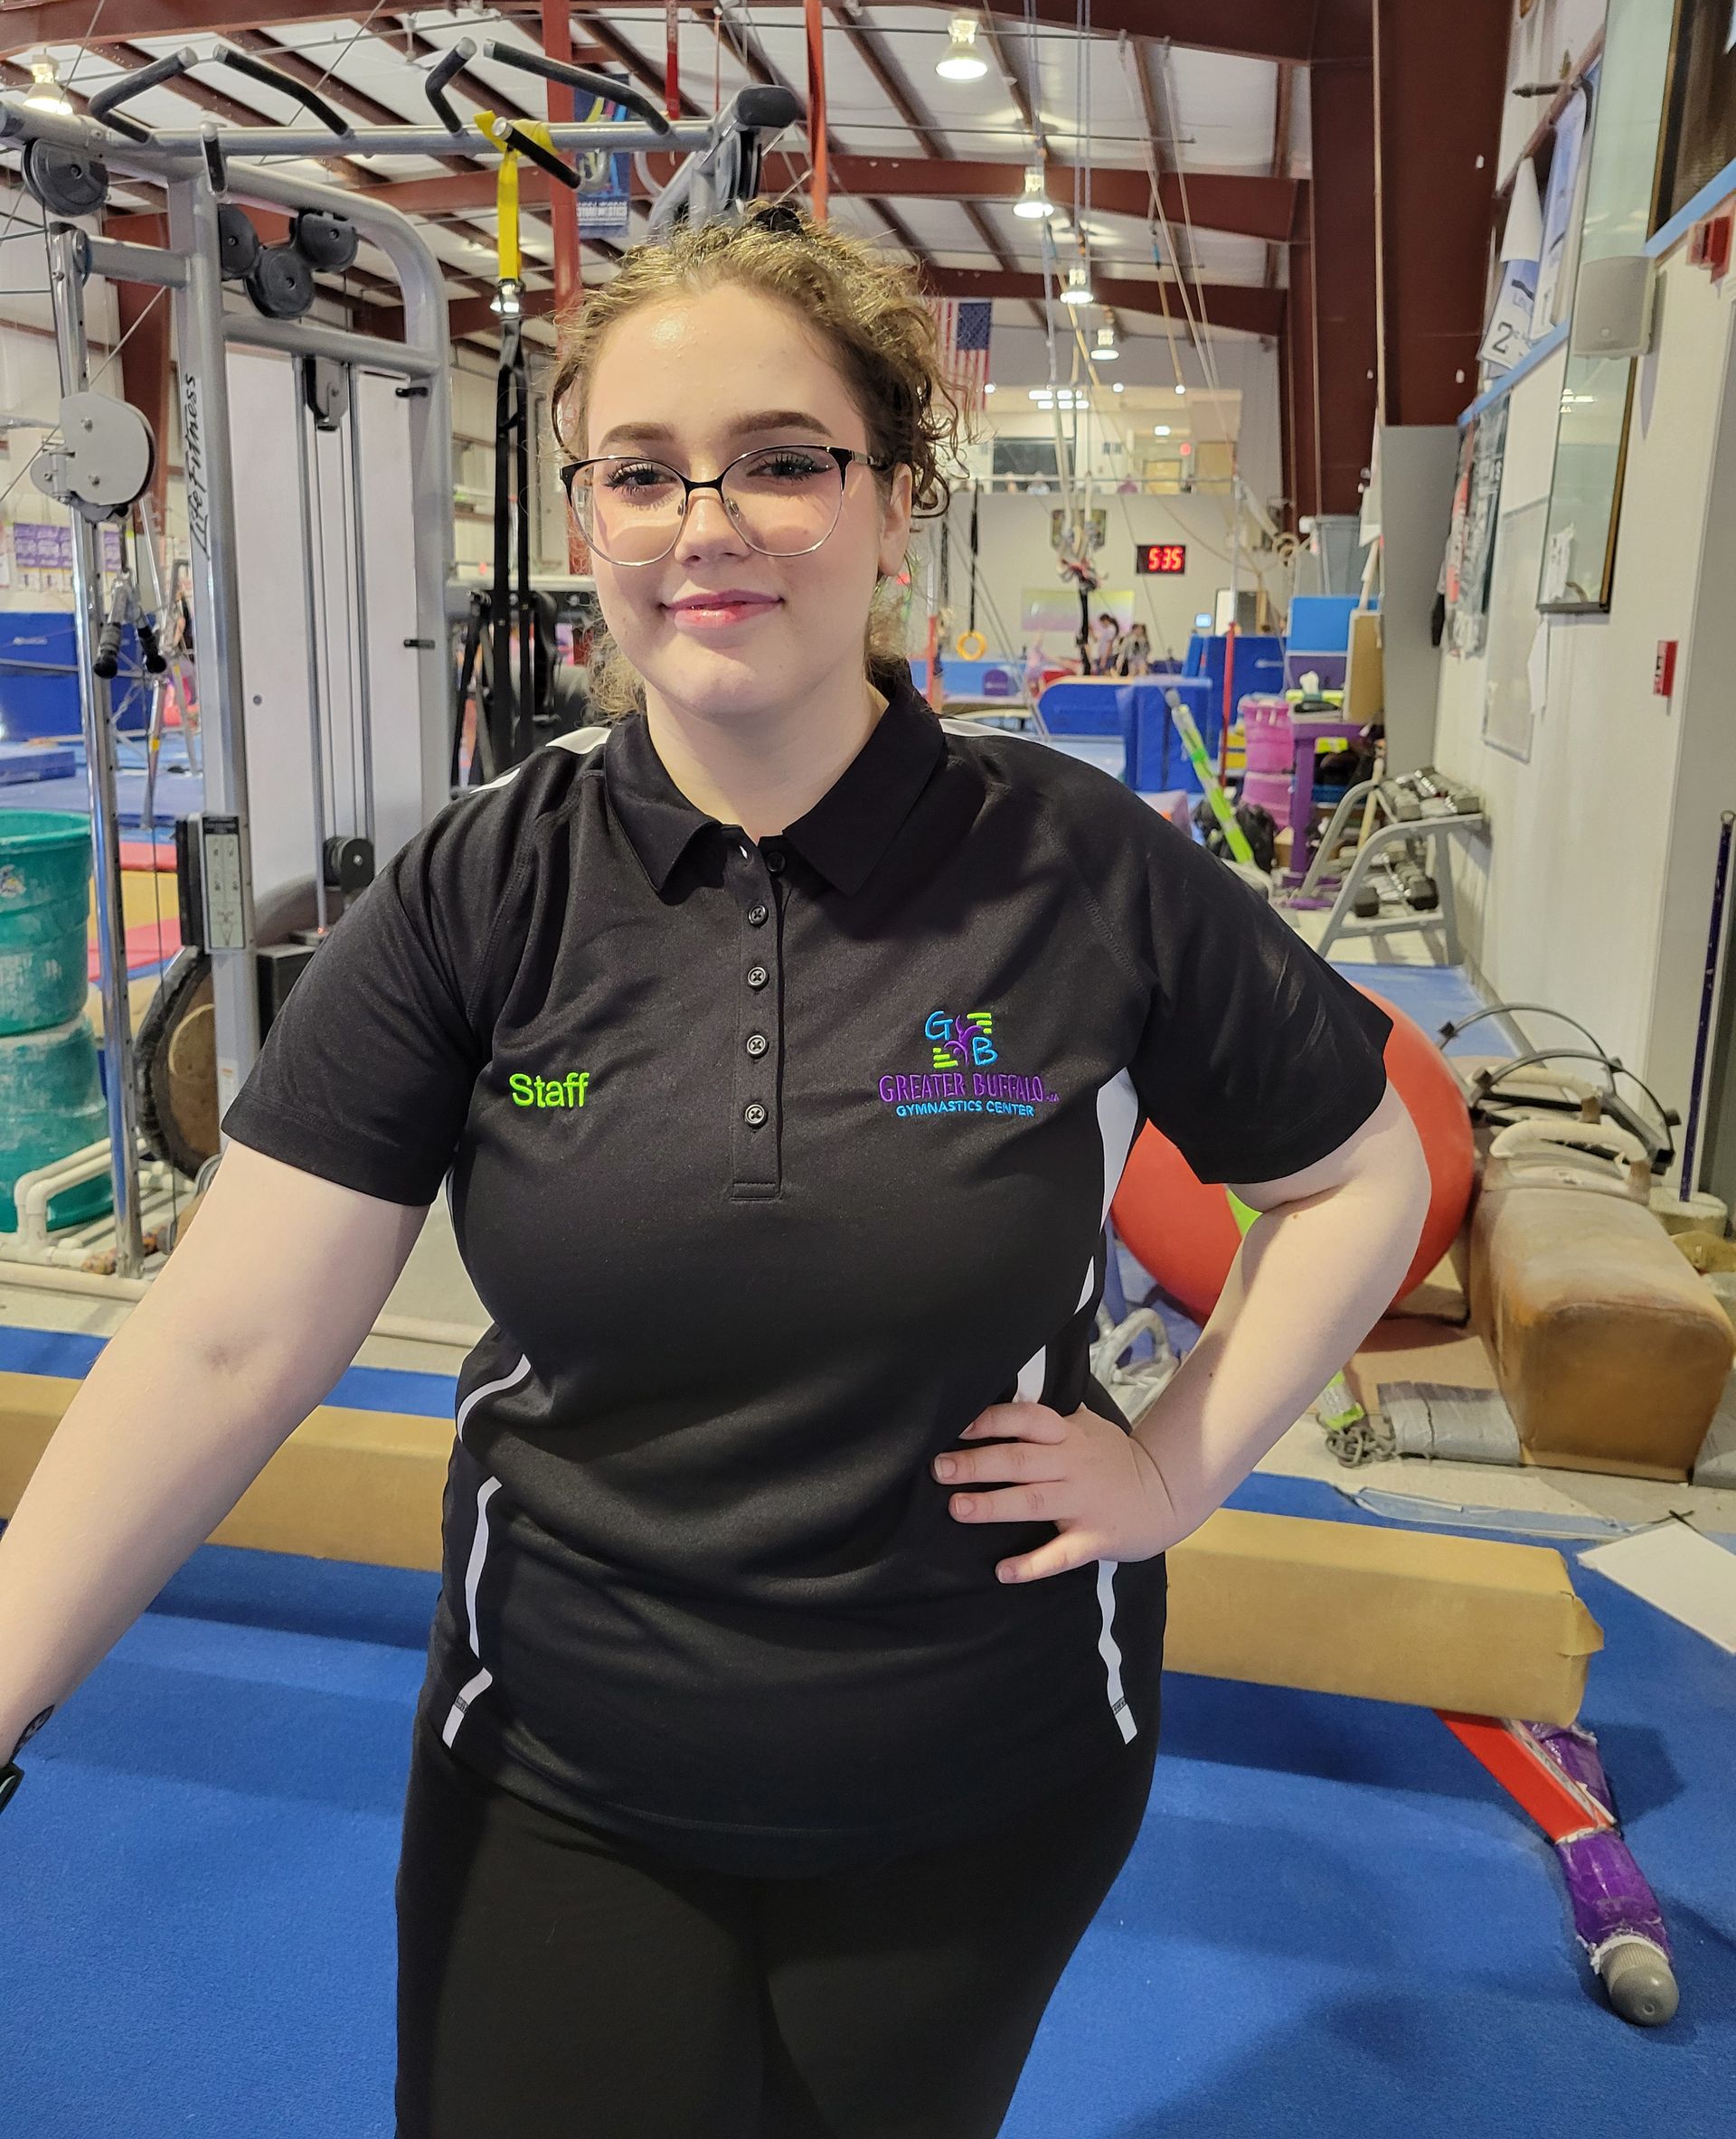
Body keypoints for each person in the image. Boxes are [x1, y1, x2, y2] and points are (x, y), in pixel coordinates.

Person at [0, 203, 1430, 2139]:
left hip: (975, 1776)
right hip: (561, 1769)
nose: (708, 523)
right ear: (587, 519)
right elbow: (225, 1337)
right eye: (644, 472)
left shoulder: (1076, 868)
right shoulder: (486, 887)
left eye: (781, 461)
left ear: (895, 501)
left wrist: (1177, 1463)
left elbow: (1361, 1176)